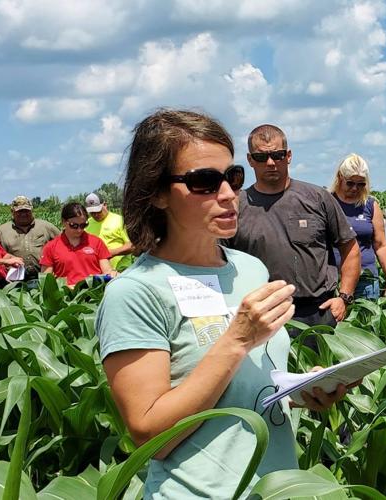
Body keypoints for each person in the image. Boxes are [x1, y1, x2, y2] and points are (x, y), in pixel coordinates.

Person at [96, 109, 353, 498]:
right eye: (204, 181)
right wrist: (236, 340)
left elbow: (249, 385)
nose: (229, 194)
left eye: (231, 177)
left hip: (273, 487)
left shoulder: (249, 270)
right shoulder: (136, 292)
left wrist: (301, 391)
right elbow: (152, 436)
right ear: (158, 193)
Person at [224, 124, 361, 331]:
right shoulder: (237, 205)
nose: (271, 163)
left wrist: (344, 297)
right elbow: (218, 261)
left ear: (288, 156)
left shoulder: (317, 198)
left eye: (277, 155)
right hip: (261, 315)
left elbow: (349, 248)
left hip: (318, 312)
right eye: (261, 157)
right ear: (250, 160)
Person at [329, 154, 386, 300]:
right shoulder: (328, 202)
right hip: (335, 280)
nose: (355, 188)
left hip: (366, 279)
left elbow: (381, 245)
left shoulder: (370, 205)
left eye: (361, 184)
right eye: (350, 183)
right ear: (340, 177)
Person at [40, 202, 116, 286]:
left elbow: (107, 271)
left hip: (94, 294)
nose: (79, 230)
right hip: (66, 296)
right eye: (74, 225)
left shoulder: (97, 242)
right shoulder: (50, 247)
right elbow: (46, 282)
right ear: (63, 222)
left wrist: (112, 273)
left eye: (83, 225)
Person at [0, 195, 60, 283]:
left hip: (43, 277)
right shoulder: (0, 232)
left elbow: (63, 245)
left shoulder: (47, 227)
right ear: (12, 211)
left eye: (26, 211)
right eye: (20, 211)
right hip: (14, 281)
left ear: (32, 210)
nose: (23, 214)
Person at [85, 193, 135, 270]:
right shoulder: (87, 224)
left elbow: (132, 245)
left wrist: (110, 253)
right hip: (97, 273)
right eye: (92, 213)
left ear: (105, 205)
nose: (95, 215)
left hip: (120, 270)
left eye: (98, 211)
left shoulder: (120, 221)